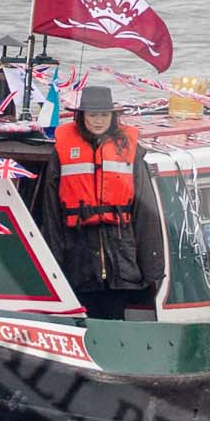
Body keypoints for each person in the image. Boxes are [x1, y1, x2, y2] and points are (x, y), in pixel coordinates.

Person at [53, 86, 153, 320]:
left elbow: (145, 210)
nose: (98, 121)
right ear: (82, 116)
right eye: (92, 115)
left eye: (103, 115)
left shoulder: (130, 149)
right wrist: (55, 257)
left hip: (120, 253)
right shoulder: (62, 149)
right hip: (78, 252)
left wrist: (150, 265)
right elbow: (51, 209)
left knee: (114, 313)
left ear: (112, 117)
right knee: (84, 313)